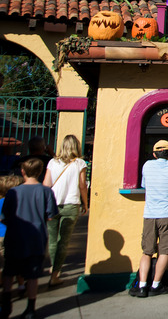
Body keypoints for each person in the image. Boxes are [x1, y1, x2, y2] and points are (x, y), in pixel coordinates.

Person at [129, 140, 168, 298]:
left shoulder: (147, 166)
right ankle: (156, 284)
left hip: (149, 214)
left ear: (154, 154)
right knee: (165, 251)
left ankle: (142, 286)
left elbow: (143, 184)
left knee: (147, 252)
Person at [1, 158, 58, 319]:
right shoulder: (46, 192)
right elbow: (51, 216)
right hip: (36, 238)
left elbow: (4, 217)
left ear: (23, 172)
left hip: (14, 236)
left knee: (9, 271)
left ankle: (6, 302)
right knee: (32, 275)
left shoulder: (13, 192)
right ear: (40, 172)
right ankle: (30, 309)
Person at [42, 134, 89, 286]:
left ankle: (53, 268)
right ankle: (55, 273)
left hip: (52, 204)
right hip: (71, 204)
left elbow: (46, 184)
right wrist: (85, 203)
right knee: (64, 240)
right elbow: (82, 185)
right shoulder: (80, 163)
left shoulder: (52, 162)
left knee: (53, 240)